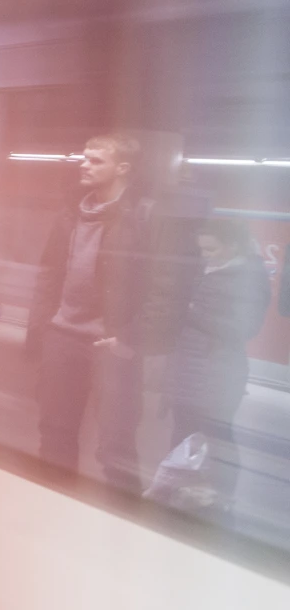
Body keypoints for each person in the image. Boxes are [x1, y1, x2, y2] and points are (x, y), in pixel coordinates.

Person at [28, 133, 178, 492]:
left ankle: (122, 523)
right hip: (62, 337)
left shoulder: (146, 216)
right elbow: (49, 271)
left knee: (116, 445)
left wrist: (130, 337)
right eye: (84, 157)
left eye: (95, 160)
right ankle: (54, 505)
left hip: (110, 344)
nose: (84, 164)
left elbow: (165, 286)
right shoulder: (70, 212)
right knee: (54, 432)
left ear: (122, 168)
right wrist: (44, 326)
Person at [161, 218, 269, 515]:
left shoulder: (249, 276)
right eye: (201, 248)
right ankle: (181, 490)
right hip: (189, 367)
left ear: (232, 246)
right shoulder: (206, 269)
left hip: (220, 372)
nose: (204, 254)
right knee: (183, 433)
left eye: (211, 248)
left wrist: (192, 313)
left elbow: (244, 329)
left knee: (217, 436)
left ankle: (220, 496)